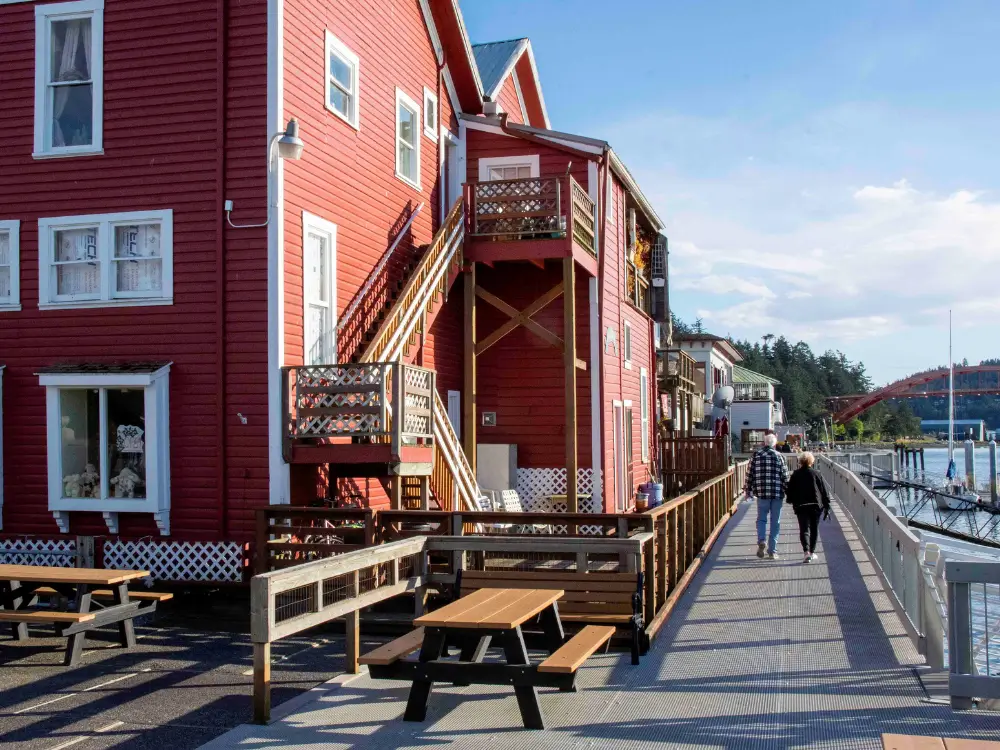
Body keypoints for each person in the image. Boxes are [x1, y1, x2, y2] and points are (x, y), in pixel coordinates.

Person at [744, 433, 790, 559]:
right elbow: (785, 477)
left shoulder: (756, 455)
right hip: (777, 493)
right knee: (775, 522)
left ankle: (761, 540)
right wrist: (789, 491)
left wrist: (747, 490)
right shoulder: (779, 456)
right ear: (774, 444)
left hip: (762, 493)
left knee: (761, 519)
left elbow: (749, 474)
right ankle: (772, 551)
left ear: (764, 443)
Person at [786, 451, 831, 563]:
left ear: (800, 462)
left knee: (804, 529)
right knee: (814, 529)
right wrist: (826, 505)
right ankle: (812, 551)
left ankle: (806, 552)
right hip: (815, 505)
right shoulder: (816, 473)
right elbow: (823, 491)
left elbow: (790, 490)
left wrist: (790, 500)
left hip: (801, 505)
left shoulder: (795, 474)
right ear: (812, 461)